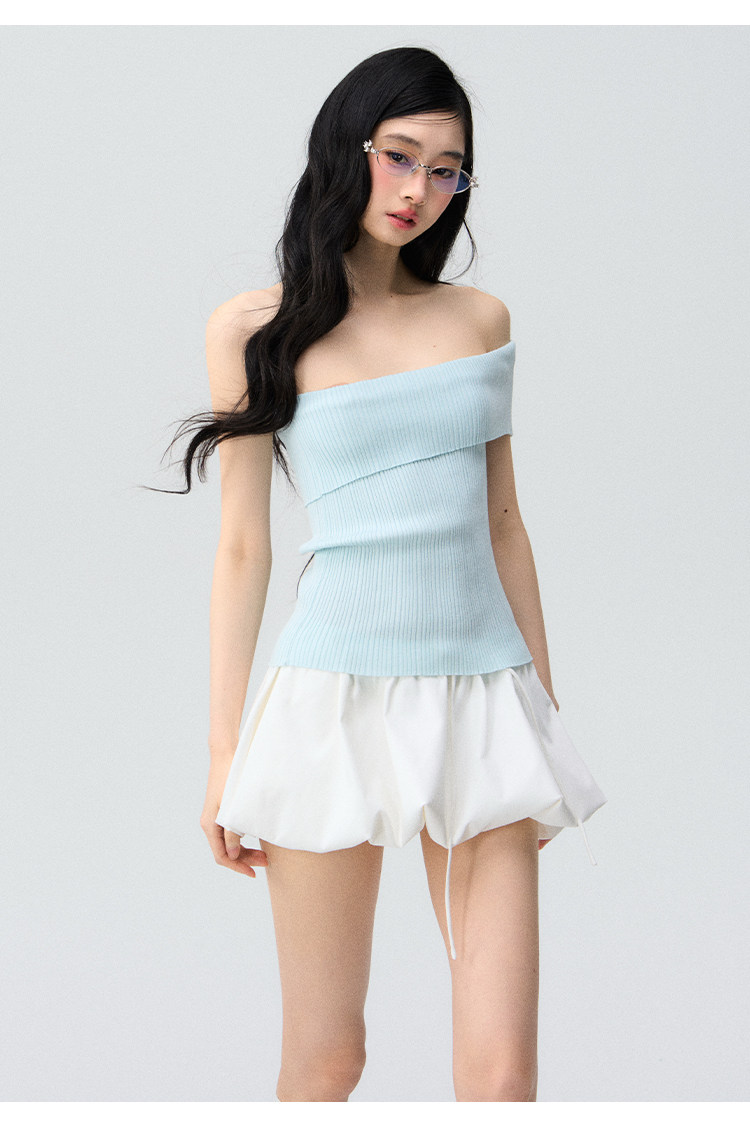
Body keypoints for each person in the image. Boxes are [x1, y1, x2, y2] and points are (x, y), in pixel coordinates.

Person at [161, 46, 607, 1102]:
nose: (418, 189)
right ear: (346, 148)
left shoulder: (480, 320)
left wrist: (541, 708)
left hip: (483, 696)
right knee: (328, 1062)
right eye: (399, 155)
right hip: (329, 701)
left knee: (502, 1077)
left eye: (446, 170)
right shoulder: (254, 328)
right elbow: (243, 546)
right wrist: (224, 755)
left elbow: (504, 522)